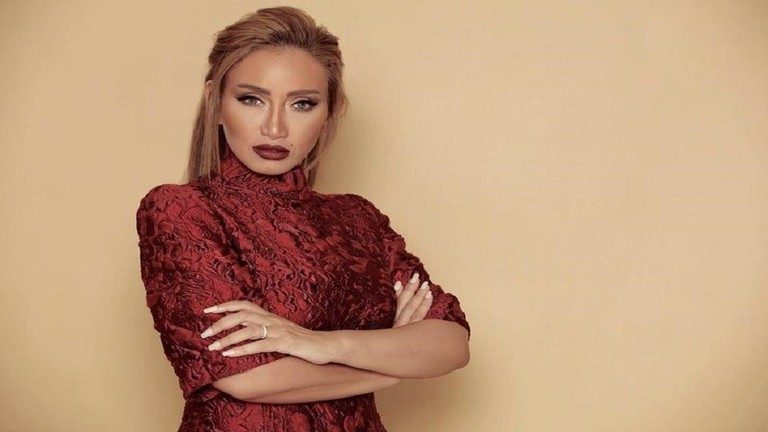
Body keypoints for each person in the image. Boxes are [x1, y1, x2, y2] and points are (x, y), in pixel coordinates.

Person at [135, 6, 471, 431]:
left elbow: (451, 343)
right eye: (251, 99)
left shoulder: (359, 218)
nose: (275, 128)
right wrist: (389, 369)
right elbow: (247, 378)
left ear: (330, 111)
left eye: (302, 104)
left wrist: (321, 345)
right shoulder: (181, 210)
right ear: (215, 103)